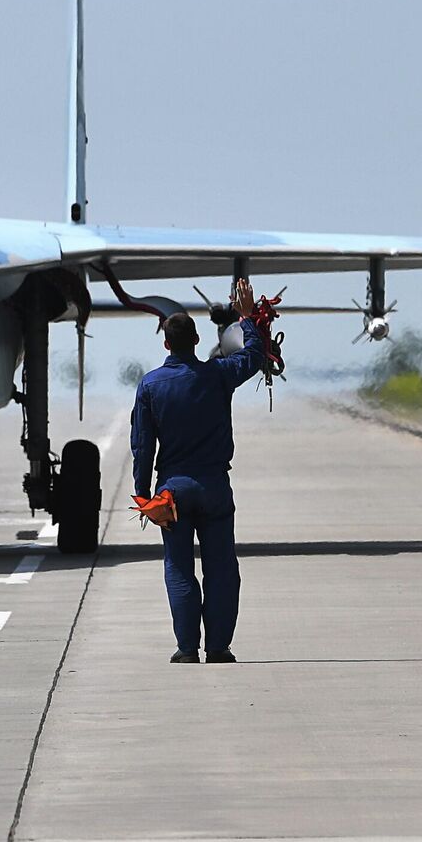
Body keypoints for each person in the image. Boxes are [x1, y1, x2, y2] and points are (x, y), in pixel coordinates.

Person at [129, 278, 267, 664]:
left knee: (178, 568)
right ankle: (219, 647)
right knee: (221, 569)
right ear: (196, 340)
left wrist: (143, 494)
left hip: (172, 490)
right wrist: (247, 318)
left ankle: (187, 648)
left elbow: (142, 445)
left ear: (166, 344)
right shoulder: (219, 375)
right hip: (214, 486)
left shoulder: (151, 385)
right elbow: (255, 355)